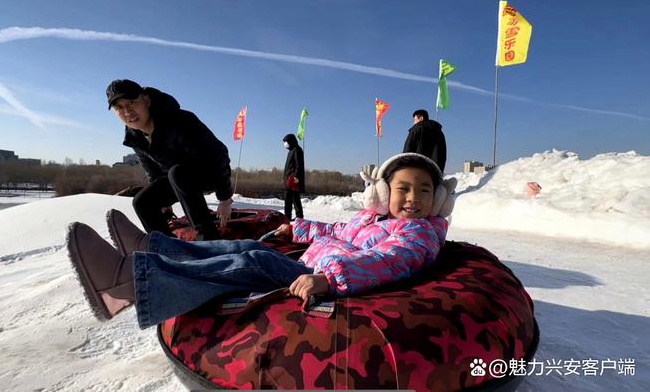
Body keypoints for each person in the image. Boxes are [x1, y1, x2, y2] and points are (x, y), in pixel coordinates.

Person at [65, 153, 456, 329]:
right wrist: (299, 229)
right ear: (384, 192)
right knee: (247, 248)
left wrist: (331, 279)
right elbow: (339, 233)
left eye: (424, 191)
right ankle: (155, 249)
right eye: (403, 188)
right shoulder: (374, 216)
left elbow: (389, 261)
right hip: (316, 265)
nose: (413, 198)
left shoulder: (419, 235)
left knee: (252, 263)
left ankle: (132, 284)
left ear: (438, 199)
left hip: (327, 280)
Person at [106, 79, 233, 240]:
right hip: (178, 180)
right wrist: (163, 204)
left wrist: (225, 199)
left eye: (132, 102)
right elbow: (154, 173)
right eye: (119, 107)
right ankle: (168, 247)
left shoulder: (180, 121)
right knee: (142, 202)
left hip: (208, 174)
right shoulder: (135, 137)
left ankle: (209, 238)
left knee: (177, 173)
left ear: (146, 100)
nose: (127, 112)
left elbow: (219, 154)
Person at [282, 134, 305, 220]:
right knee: (291, 198)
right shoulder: (291, 151)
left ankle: (298, 216)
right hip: (288, 179)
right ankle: (289, 216)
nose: (285, 144)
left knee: (293, 198)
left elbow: (299, 165)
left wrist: (296, 176)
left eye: (286, 142)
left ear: (291, 141)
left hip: (292, 179)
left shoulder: (297, 150)